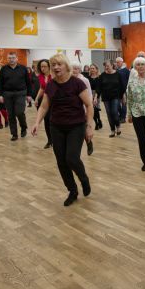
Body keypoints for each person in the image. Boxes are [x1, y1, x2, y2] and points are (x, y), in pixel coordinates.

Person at [32, 54, 94, 207]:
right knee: (61, 161)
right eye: (53, 65)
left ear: (66, 66)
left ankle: (84, 179)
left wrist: (89, 126)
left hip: (76, 126)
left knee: (72, 158)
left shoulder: (77, 83)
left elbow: (89, 105)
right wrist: (37, 123)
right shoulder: (51, 85)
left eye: (59, 64)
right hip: (56, 126)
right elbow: (44, 106)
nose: (56, 67)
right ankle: (72, 190)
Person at [0, 52, 34, 141]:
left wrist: (29, 95)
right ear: (7, 59)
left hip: (20, 93)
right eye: (9, 58)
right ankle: (14, 134)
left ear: (17, 58)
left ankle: (23, 127)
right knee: (11, 115)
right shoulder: (3, 69)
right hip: (7, 94)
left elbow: (28, 83)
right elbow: (0, 83)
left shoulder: (23, 68)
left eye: (13, 58)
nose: (11, 60)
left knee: (19, 112)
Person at [71, 62, 94, 156]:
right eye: (73, 68)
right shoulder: (68, 79)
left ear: (80, 70)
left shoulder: (84, 80)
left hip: (83, 107)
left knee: (83, 127)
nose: (74, 71)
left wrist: (88, 107)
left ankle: (88, 142)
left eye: (76, 69)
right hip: (72, 108)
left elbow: (89, 94)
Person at [98, 60, 124, 137]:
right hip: (106, 97)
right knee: (109, 114)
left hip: (115, 96)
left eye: (108, 65)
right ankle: (112, 130)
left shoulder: (118, 74)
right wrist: (96, 96)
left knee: (114, 112)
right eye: (105, 66)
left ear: (112, 65)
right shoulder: (102, 75)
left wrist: (123, 96)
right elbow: (99, 87)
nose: (106, 67)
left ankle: (118, 126)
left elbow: (122, 86)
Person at [34, 59, 53, 149]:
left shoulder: (53, 75)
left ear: (49, 67)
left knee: (53, 120)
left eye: (45, 66)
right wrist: (37, 98)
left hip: (54, 100)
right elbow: (42, 88)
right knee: (46, 120)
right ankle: (49, 140)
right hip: (45, 100)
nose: (43, 68)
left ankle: (55, 139)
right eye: (41, 66)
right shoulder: (41, 76)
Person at [87, 64, 103, 130]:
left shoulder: (99, 77)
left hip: (97, 94)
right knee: (92, 109)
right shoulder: (88, 78)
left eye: (93, 68)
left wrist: (95, 97)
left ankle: (98, 120)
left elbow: (98, 88)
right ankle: (97, 122)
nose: (92, 70)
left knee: (96, 109)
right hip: (89, 94)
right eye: (91, 68)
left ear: (96, 69)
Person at [115, 57, 130, 123]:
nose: (117, 63)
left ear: (122, 62)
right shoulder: (115, 70)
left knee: (124, 104)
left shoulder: (126, 70)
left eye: (118, 62)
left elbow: (129, 80)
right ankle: (121, 115)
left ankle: (123, 118)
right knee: (117, 104)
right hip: (117, 90)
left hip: (124, 90)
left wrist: (126, 89)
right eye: (116, 62)